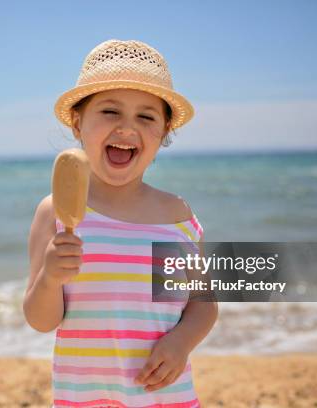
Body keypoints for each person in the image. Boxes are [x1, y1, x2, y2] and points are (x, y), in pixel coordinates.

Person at [24, 39, 218, 408]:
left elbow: (202, 303)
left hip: (165, 398)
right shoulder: (57, 213)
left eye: (146, 117)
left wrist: (181, 342)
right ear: (79, 123)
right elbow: (40, 320)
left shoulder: (176, 217)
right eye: (110, 112)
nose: (127, 128)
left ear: (163, 133)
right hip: (84, 399)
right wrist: (50, 278)